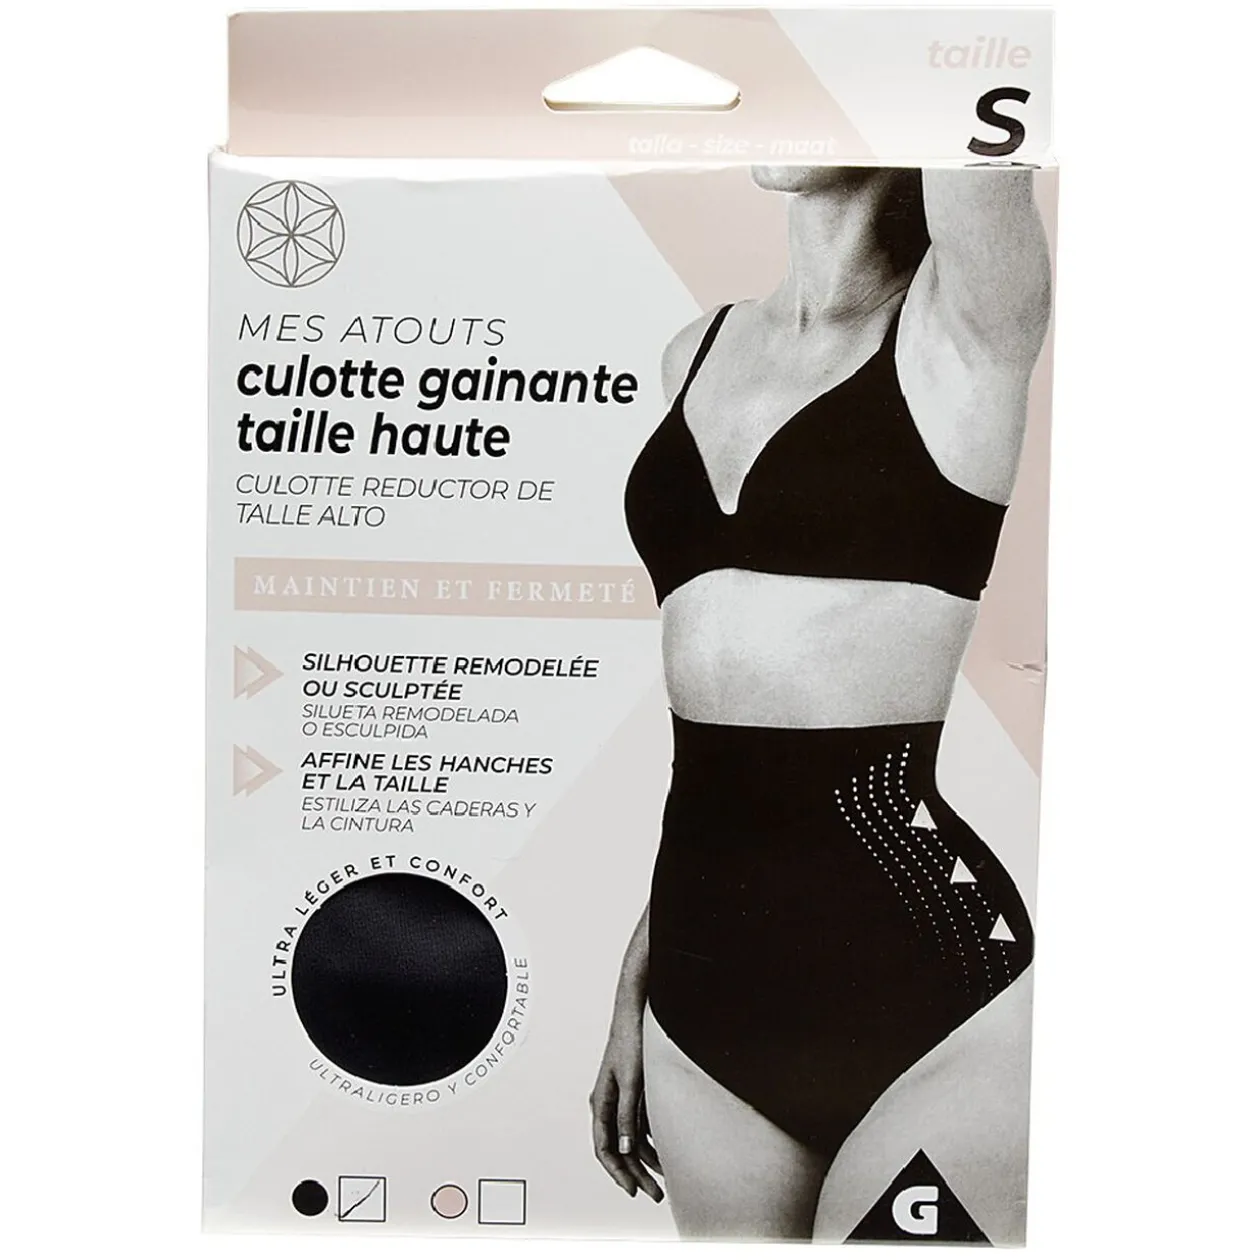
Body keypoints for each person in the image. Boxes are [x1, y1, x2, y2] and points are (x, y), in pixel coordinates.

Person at [595, 165, 1051, 1242]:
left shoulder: (967, 327)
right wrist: (636, 983)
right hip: (703, 982)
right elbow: (725, 758)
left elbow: (978, 106)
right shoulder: (695, 352)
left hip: (930, 990)